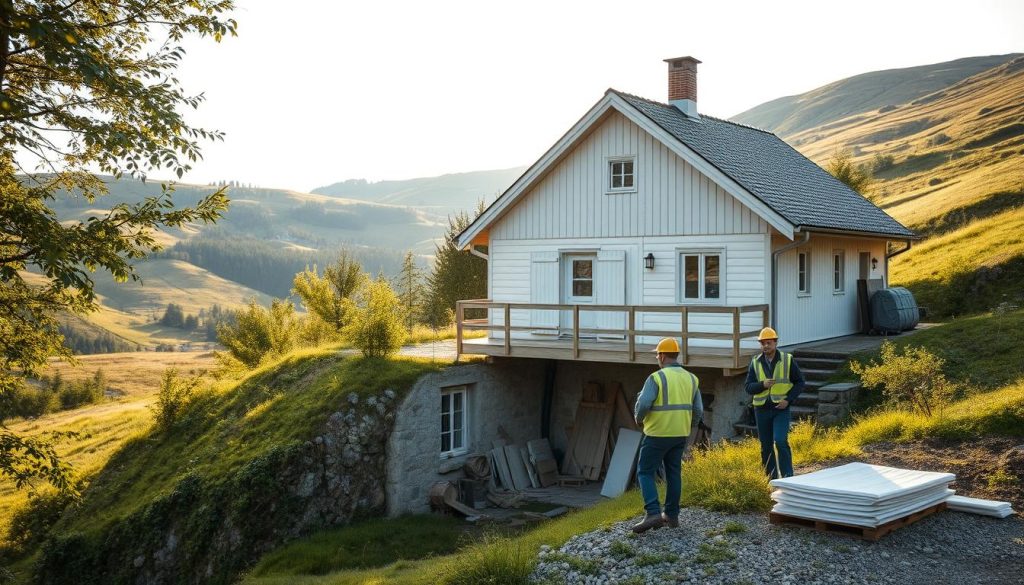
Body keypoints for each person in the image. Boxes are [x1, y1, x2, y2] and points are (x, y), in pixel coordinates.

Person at [631, 337, 703, 534]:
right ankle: (671, 516)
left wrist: (639, 419)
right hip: (680, 433)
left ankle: (653, 512)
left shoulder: (656, 378)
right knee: (673, 473)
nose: (657, 358)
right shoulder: (692, 378)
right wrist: (689, 426)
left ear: (662, 356)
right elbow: (698, 410)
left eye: (657, 354)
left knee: (645, 471)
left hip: (657, 433)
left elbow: (644, 404)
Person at [744, 327, 806, 479]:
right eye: (763, 343)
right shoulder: (755, 362)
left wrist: (788, 400)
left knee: (780, 441)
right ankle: (771, 479)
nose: (765, 346)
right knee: (766, 446)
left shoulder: (787, 359)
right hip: (761, 410)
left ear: (775, 343)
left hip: (781, 409)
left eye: (769, 343)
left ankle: (788, 477)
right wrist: (762, 385)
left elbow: (800, 383)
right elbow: (748, 387)